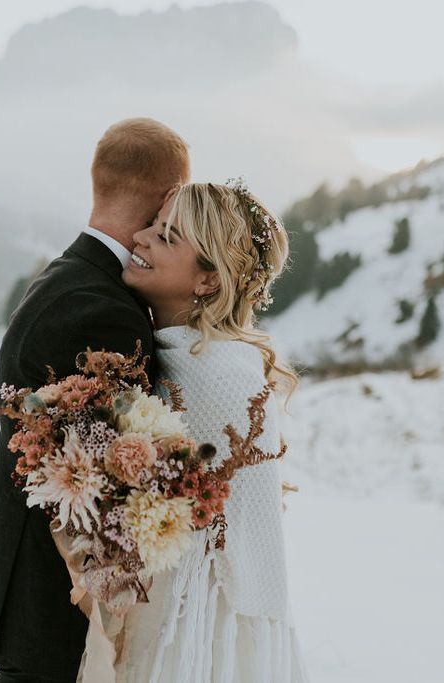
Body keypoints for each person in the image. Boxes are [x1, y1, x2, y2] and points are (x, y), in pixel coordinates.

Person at [0, 117, 190, 682]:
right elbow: (106, 480)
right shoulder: (103, 308)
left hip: (22, 584)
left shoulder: (66, 275)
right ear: (168, 197)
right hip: (51, 598)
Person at [99, 181, 312, 682]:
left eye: (167, 237)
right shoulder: (166, 349)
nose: (142, 237)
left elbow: (214, 535)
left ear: (207, 281)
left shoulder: (221, 373)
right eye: (153, 223)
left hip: (196, 627)